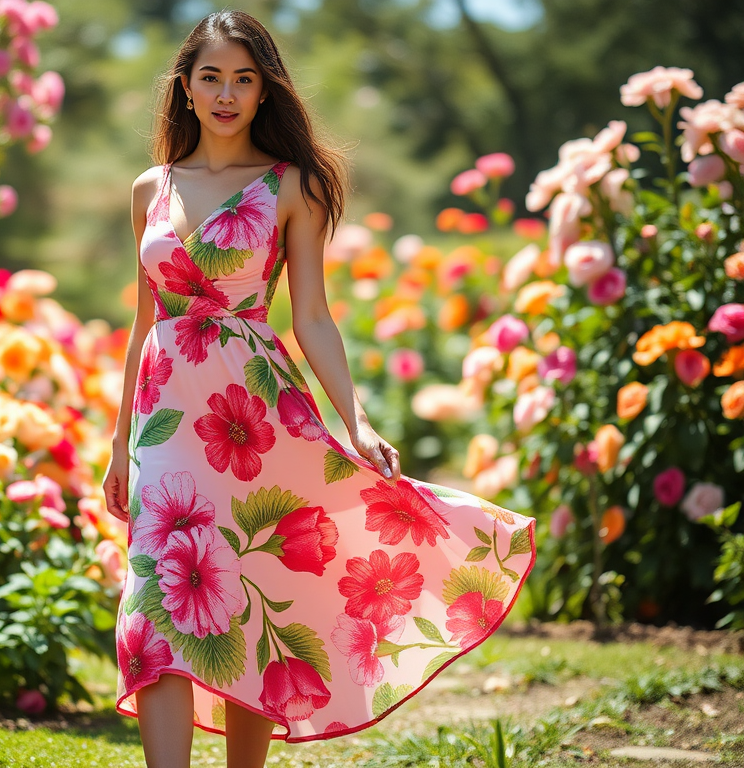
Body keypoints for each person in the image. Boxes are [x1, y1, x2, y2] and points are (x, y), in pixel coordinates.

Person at [102, 10, 536, 768]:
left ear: (266, 91)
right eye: (212, 77)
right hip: (166, 420)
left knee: (248, 593)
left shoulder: (290, 185)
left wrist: (356, 422)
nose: (228, 93)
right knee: (155, 606)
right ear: (186, 86)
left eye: (245, 78)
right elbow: (145, 325)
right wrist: (116, 449)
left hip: (254, 417)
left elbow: (312, 317)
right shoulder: (151, 188)